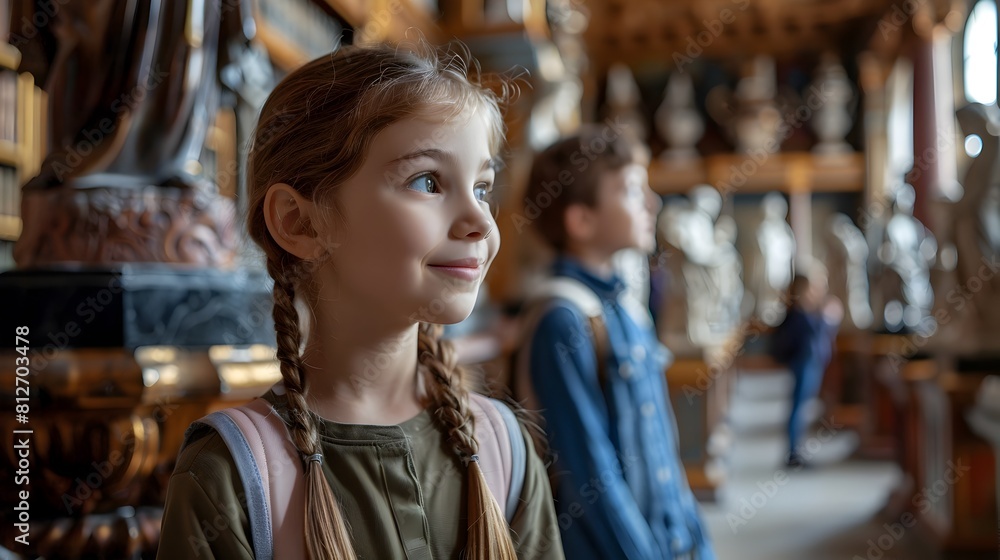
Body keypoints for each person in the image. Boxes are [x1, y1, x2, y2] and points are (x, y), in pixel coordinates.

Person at [158, 43, 564, 559]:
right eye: (428, 181)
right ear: (299, 222)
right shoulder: (230, 476)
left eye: (481, 188)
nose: (481, 222)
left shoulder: (504, 448)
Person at [515, 128, 716, 560]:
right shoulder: (562, 320)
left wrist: (698, 541)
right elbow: (591, 474)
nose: (652, 203)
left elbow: (662, 443)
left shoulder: (625, 309)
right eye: (629, 190)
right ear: (581, 219)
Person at [771, 268, 843, 468]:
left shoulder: (808, 311)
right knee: (799, 407)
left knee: (803, 407)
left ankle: (796, 450)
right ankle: (794, 453)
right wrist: (829, 319)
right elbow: (811, 337)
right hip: (804, 363)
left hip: (811, 363)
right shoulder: (799, 313)